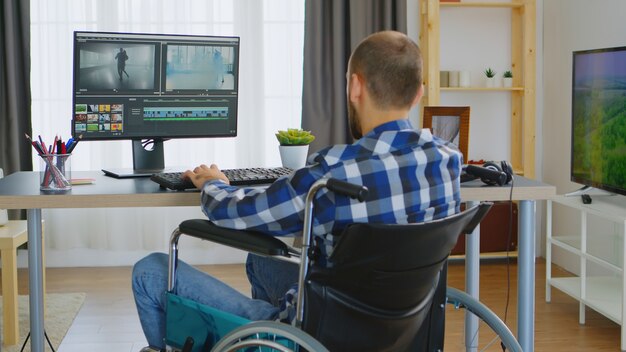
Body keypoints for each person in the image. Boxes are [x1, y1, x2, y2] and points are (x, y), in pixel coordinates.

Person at [132, 30, 462, 352]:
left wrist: (213, 184)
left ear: (355, 86)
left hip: (316, 337)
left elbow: (244, 213)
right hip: (402, 331)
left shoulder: (334, 174)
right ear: (418, 93)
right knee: (261, 262)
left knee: (150, 271)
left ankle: (268, 340)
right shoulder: (447, 162)